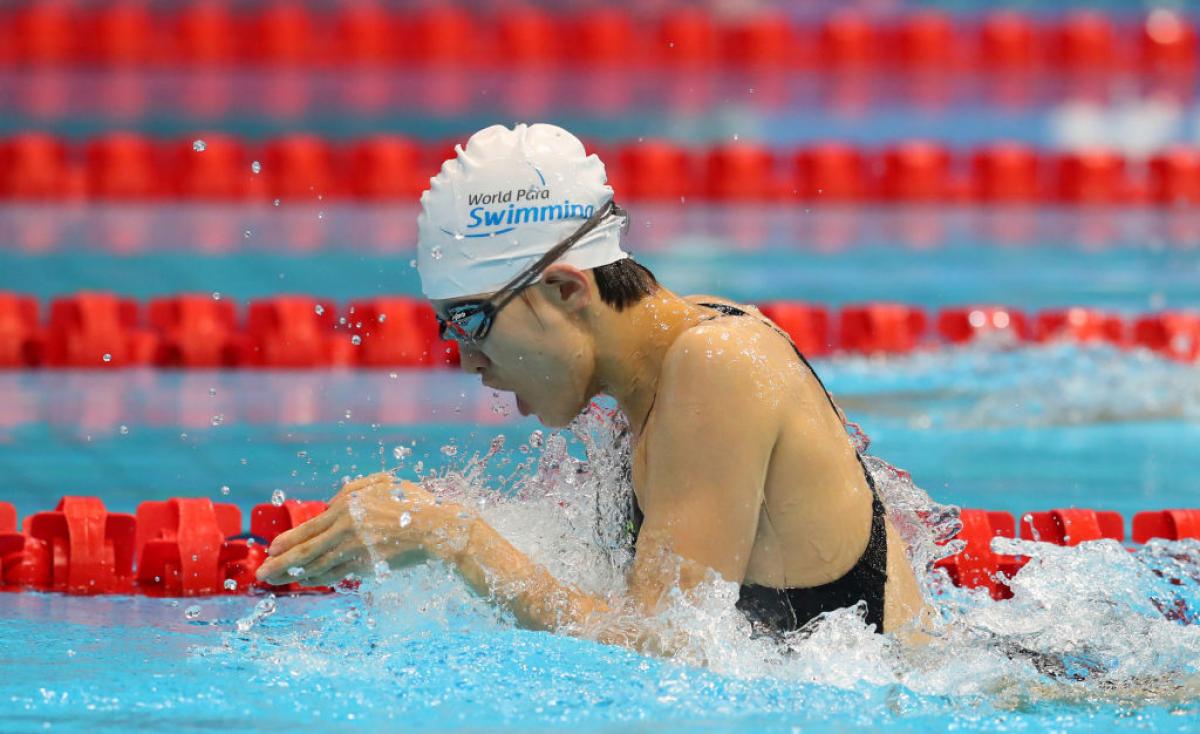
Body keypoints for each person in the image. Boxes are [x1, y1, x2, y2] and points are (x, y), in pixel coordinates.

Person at [256, 123, 931, 650]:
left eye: (470, 321)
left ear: (565, 289)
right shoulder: (659, 380)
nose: (464, 361)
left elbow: (667, 648)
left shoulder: (718, 362)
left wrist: (456, 539)